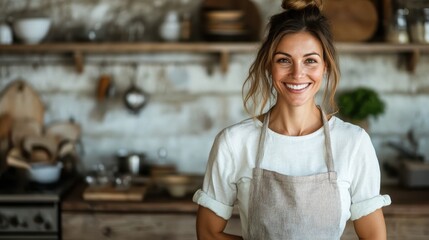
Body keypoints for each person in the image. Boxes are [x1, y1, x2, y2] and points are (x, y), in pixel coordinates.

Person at [193, 0, 391, 239]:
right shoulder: (234, 143)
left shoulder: (353, 143)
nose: (298, 74)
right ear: (269, 65)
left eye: (310, 60)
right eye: (284, 60)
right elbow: (207, 232)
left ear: (325, 66)